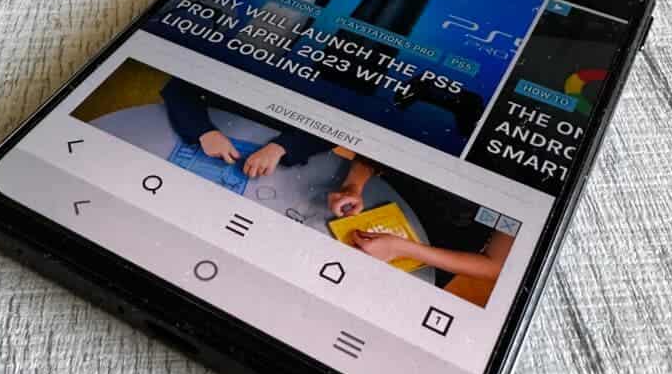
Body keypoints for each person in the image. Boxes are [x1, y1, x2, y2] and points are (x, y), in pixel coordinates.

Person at [328, 155, 515, 306]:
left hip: (435, 253)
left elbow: (494, 265)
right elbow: (382, 143)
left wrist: (401, 249)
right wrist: (354, 184)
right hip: (376, 198)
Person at [161, 78, 325, 177]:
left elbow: (332, 131)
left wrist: (284, 146)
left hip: (286, 137)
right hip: (215, 116)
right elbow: (177, 87)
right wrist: (203, 130)